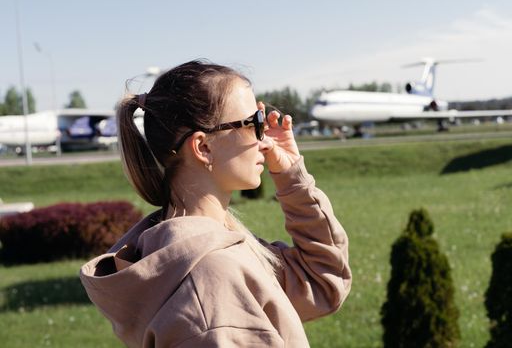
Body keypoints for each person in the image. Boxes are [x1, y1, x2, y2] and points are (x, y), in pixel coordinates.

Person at [80, 60, 351, 347]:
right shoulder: (211, 277)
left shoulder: (212, 250)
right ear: (203, 147)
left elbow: (322, 282)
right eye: (254, 123)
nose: (265, 139)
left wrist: (291, 174)